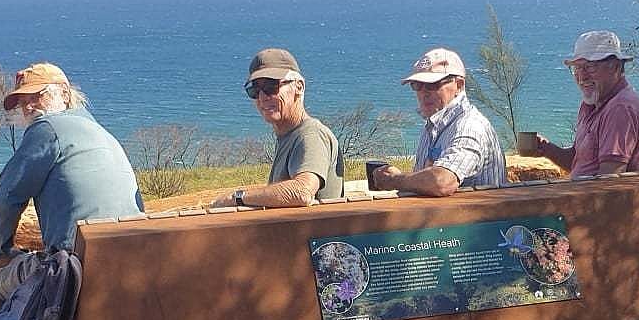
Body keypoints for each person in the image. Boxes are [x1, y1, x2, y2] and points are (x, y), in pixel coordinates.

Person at [0, 62, 144, 302]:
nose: (29, 107)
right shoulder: (100, 132)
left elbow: (6, 198)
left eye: (37, 96)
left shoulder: (46, 129)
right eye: (22, 102)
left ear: (65, 95)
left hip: (73, 273)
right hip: (132, 260)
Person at [211, 48, 343, 208]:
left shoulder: (311, 134)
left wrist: (237, 197)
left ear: (299, 87)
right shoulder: (289, 135)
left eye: (271, 87)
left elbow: (302, 192)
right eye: (254, 90)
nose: (262, 97)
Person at [371, 48, 505, 195]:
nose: (423, 92)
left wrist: (395, 180)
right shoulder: (435, 124)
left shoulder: (469, 126)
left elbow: (443, 182)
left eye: (432, 84)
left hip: (473, 217)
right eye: (417, 85)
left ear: (459, 85)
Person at [534, 31, 639, 176]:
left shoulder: (620, 108)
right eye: (577, 68)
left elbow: (609, 183)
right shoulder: (592, 104)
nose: (582, 77)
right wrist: (547, 149)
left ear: (615, 67)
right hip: (586, 196)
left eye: (590, 67)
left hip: (604, 198)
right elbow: (580, 162)